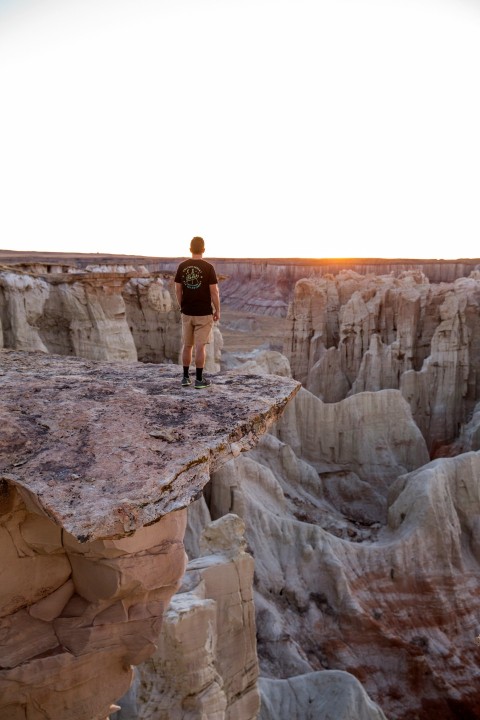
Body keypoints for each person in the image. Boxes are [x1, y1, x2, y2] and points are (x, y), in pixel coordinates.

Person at [174, 236, 220, 388]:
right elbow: (214, 292)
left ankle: (185, 378)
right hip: (204, 313)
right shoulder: (208, 268)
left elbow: (177, 289)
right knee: (200, 346)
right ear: (204, 250)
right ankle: (199, 380)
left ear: (190, 249)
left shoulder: (182, 266)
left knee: (187, 345)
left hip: (187, 312)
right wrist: (217, 310)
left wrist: (182, 305)